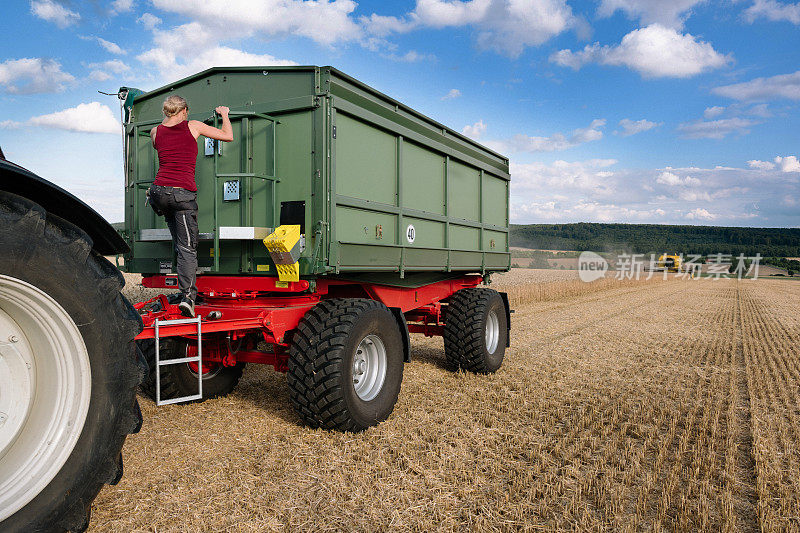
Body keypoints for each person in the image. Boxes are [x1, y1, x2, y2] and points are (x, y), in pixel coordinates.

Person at [147, 95, 233, 317]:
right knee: (187, 248)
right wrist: (224, 114)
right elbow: (227, 136)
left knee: (178, 240)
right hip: (181, 196)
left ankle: (153, 199)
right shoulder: (192, 126)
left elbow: (163, 146)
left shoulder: (155, 132)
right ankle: (188, 297)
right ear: (184, 110)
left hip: (159, 192)